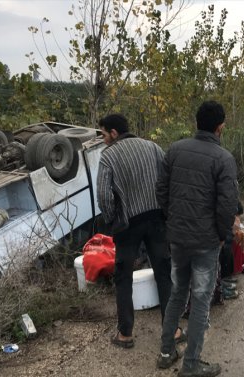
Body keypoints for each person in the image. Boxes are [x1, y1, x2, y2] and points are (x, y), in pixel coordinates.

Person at [156, 100, 238, 377]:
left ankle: (166, 353)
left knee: (177, 293)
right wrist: (222, 234)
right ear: (220, 127)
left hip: (177, 239)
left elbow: (162, 191)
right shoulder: (224, 158)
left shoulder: (175, 150)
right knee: (201, 300)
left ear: (196, 123)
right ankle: (191, 365)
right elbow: (227, 204)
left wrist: (173, 220)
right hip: (205, 242)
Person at [96, 114, 184, 349]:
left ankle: (125, 334)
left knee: (123, 277)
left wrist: (111, 219)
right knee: (163, 273)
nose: (102, 139)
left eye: (103, 134)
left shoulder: (108, 157)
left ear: (114, 133)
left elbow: (104, 196)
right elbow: (168, 180)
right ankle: (173, 329)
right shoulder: (153, 147)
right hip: (157, 220)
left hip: (127, 225)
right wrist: (165, 211)